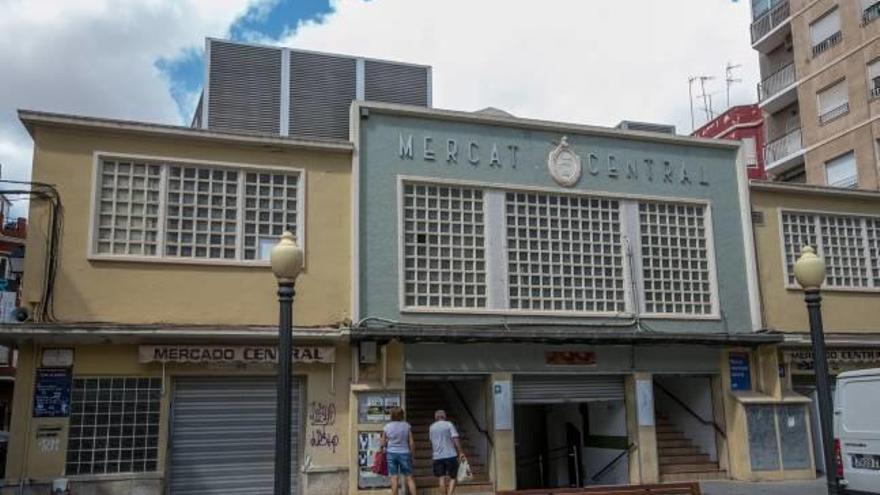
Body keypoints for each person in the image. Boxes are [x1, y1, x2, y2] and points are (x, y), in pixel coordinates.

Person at [381, 407, 417, 495]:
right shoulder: (406, 426)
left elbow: (382, 443)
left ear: (391, 415)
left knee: (394, 478)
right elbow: (411, 442)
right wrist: (412, 455)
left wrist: (385, 445)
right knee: (409, 478)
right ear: (402, 415)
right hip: (404, 453)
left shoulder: (387, 427)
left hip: (391, 454)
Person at [429, 410, 466, 495]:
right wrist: (460, 452)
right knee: (453, 477)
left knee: (441, 478)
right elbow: (455, 438)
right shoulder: (449, 424)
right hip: (450, 455)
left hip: (437, 456)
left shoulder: (432, 427)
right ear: (444, 416)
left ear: (436, 417)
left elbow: (432, 441)